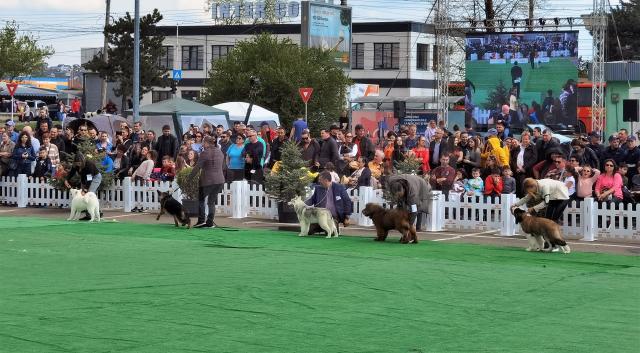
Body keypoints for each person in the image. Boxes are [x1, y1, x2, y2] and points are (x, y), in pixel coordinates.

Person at [191, 136, 226, 228]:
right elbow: (223, 166)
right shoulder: (220, 152)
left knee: (201, 200)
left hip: (207, 181)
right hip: (220, 180)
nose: (203, 144)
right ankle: (209, 222)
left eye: (203, 142)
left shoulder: (204, 153)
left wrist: (189, 178)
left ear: (206, 143)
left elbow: (198, 167)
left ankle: (201, 221)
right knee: (211, 202)